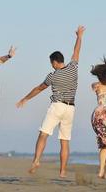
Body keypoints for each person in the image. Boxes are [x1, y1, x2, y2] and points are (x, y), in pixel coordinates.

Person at [16, 25, 85, 178]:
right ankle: (62, 171)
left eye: (51, 63)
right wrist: (79, 36)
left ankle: (36, 160)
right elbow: (76, 51)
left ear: (54, 62)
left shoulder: (52, 76)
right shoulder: (73, 68)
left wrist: (25, 98)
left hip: (57, 106)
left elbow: (39, 88)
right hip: (70, 109)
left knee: (43, 134)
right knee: (65, 141)